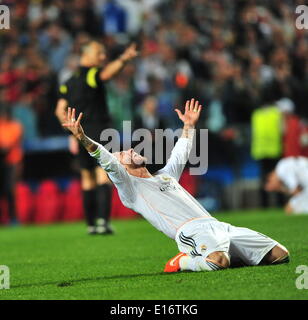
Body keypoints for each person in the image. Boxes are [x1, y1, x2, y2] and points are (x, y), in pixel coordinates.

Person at [62, 98, 289, 272]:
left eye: (130, 149)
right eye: (124, 153)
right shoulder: (130, 189)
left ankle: (229, 256)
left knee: (280, 254)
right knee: (217, 262)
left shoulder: (165, 175)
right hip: (190, 231)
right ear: (120, 167)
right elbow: (105, 159)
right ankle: (183, 261)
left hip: (218, 225)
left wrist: (189, 126)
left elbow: (181, 152)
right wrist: (82, 137)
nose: (131, 151)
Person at [55, 40, 138, 235]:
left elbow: (59, 110)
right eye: (99, 53)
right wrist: (124, 58)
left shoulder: (69, 81)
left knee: (86, 177)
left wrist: (70, 131)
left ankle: (91, 224)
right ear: (86, 55)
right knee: (103, 175)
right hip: (100, 130)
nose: (102, 57)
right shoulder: (92, 74)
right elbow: (108, 73)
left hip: (79, 132)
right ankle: (103, 223)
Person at [0, 105, 23, 225]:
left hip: (12, 162)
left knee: (10, 190)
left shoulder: (15, 126)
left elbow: (7, 146)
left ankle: (13, 218)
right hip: (1, 162)